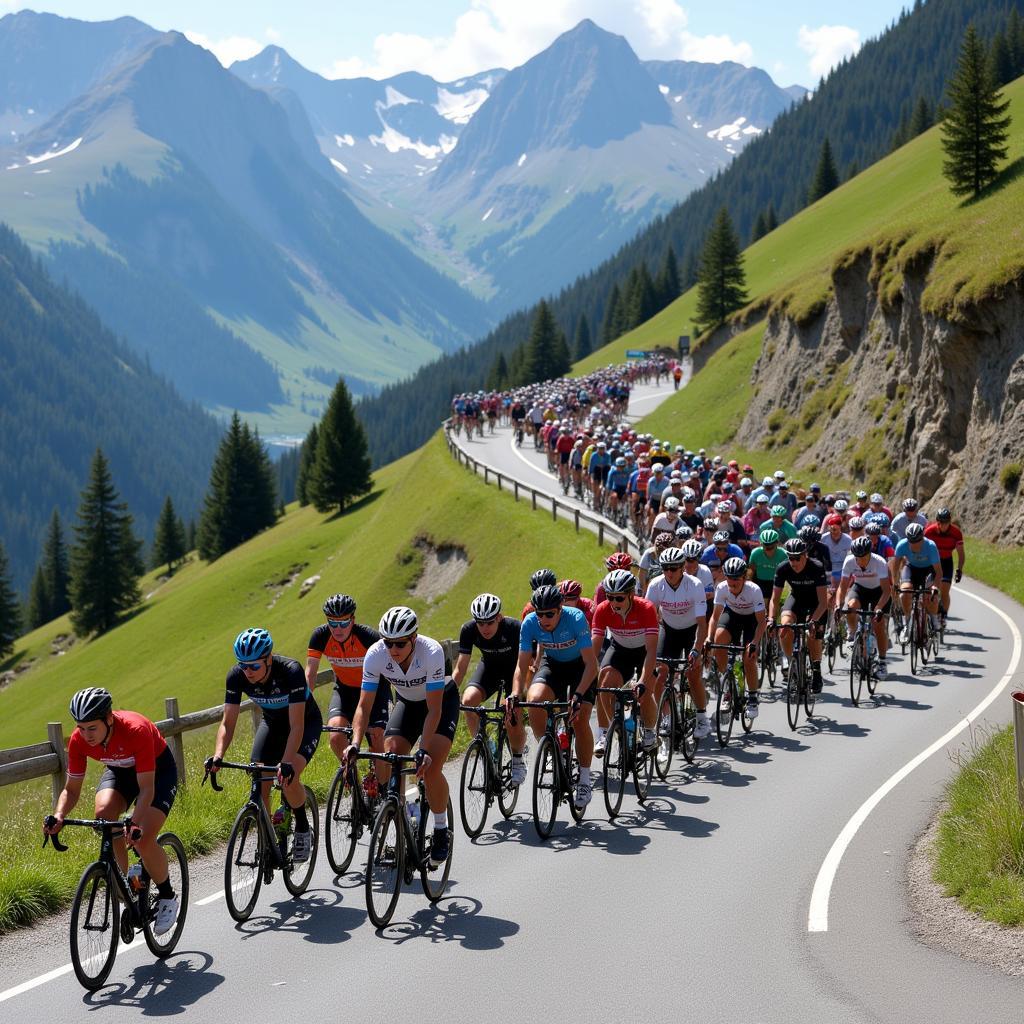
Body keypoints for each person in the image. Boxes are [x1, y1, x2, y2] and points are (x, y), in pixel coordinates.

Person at [45, 688, 180, 935]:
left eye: (92, 728)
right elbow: (71, 790)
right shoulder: (78, 740)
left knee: (143, 839)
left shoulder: (135, 729)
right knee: (105, 815)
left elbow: (147, 789)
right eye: (81, 727)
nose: (86, 735)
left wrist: (135, 823)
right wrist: (60, 814)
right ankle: (129, 882)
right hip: (120, 772)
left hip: (157, 775)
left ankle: (167, 895)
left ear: (108, 719)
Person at [345, 607, 459, 867]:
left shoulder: (431, 652)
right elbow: (364, 706)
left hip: (440, 704)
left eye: (399, 643)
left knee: (430, 768)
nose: (393, 649)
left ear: (414, 638)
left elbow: (434, 710)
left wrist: (424, 749)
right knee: (391, 753)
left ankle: (441, 830)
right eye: (388, 643)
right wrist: (354, 743)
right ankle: (405, 813)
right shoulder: (375, 655)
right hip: (407, 705)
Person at [210, 628, 322, 862]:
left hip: (304, 724)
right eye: (243, 665)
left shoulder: (290, 671)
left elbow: (297, 726)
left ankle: (302, 826)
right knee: (259, 779)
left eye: (254, 666)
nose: (247, 671)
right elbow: (227, 723)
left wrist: (287, 762)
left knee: (289, 779)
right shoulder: (236, 676)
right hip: (272, 724)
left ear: (268, 659)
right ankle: (270, 839)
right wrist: (218, 755)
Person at [510, 585, 599, 809]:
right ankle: (550, 748)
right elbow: (521, 667)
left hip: (581, 667)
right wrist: (514, 693)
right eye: (540, 613)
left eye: (549, 613)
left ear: (560, 609)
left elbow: (591, 664)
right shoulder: (530, 623)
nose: (544, 618)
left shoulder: (576, 618)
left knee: (579, 720)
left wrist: (578, 695)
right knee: (534, 699)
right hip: (554, 666)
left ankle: (585, 780)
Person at [307, 594, 387, 790]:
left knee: (376, 738)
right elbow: (310, 675)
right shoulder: (320, 636)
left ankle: (383, 787)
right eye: (333, 623)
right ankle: (354, 782)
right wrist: (303, 708)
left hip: (375, 690)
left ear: (353, 619)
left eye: (343, 623)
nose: (338, 629)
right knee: (335, 735)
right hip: (344, 690)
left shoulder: (368, 637)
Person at [453, 594, 528, 786]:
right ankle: (485, 745)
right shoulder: (468, 630)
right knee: (468, 702)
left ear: (499, 617)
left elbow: (524, 662)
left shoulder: (514, 628)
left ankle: (518, 760)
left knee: (512, 713)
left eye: (489, 622)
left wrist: (516, 693)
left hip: (515, 670)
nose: (485, 628)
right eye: (480, 623)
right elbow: (461, 667)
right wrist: (449, 692)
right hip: (489, 669)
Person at [591, 569, 661, 758]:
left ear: (631, 594)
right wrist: (585, 676)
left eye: (619, 598)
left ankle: (649, 731)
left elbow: (652, 650)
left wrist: (643, 680)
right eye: (610, 597)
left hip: (644, 651)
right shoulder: (603, 609)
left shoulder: (646, 608)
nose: (614, 603)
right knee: (604, 685)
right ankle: (607, 731)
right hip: (620, 650)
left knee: (645, 692)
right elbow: (593, 650)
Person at [646, 547, 711, 739]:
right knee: (661, 672)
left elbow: (702, 623)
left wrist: (697, 650)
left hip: (692, 630)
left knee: (692, 674)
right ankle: (659, 719)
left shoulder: (695, 584)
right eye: (665, 568)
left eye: (673, 569)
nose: (669, 573)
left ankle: (701, 717)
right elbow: (648, 620)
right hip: (669, 629)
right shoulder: (656, 585)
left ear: (683, 568)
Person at [707, 558, 768, 718]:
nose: (732, 586)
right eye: (729, 581)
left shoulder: (754, 590)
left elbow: (762, 621)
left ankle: (753, 696)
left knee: (749, 657)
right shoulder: (721, 588)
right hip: (732, 615)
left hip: (751, 620)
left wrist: (755, 643)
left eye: (736, 582)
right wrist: (709, 638)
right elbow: (714, 617)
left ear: (744, 578)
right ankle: (727, 685)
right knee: (718, 642)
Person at [769, 539, 829, 692]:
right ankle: (792, 663)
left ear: (805, 555)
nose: (793, 562)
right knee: (785, 627)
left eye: (797, 558)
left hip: (816, 604)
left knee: (812, 635)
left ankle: (816, 670)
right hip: (796, 599)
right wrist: (770, 619)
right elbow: (774, 600)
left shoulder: (816, 567)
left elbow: (823, 602)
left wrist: (813, 620)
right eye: (790, 558)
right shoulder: (782, 568)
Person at [837, 537, 893, 678]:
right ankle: (852, 635)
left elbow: (887, 590)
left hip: (878, 591)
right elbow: (842, 587)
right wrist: (838, 605)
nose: (860, 560)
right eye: (858, 557)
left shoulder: (879, 562)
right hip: (860, 589)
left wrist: (879, 608)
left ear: (870, 553)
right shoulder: (849, 561)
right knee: (851, 607)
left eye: (864, 557)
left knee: (878, 624)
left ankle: (882, 662)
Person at [893, 523, 943, 643]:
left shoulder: (930, 546)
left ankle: (934, 618)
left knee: (930, 596)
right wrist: (895, 584)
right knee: (904, 593)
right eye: (912, 541)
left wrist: (935, 587)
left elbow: (939, 572)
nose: (914, 544)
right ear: (907, 539)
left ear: (922, 538)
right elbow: (895, 568)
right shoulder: (902, 545)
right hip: (911, 568)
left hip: (928, 570)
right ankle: (907, 623)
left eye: (917, 541)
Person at [924, 507, 965, 624]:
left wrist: (959, 569)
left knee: (945, 590)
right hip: (932, 562)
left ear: (950, 522)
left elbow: (961, 553)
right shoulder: (929, 531)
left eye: (946, 522)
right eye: (941, 522)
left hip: (946, 561)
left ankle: (943, 616)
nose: (943, 525)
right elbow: (922, 548)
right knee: (929, 589)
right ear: (937, 521)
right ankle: (930, 613)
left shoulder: (956, 533)